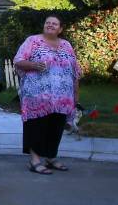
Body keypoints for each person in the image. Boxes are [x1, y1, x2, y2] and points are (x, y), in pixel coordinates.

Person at [14, 15, 81, 174]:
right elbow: (18, 60)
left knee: (55, 127)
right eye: (47, 23)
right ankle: (34, 160)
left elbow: (74, 70)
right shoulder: (33, 41)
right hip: (37, 96)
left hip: (62, 98)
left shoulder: (66, 45)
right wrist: (33, 65)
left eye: (54, 23)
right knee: (36, 126)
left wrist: (75, 93)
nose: (50, 25)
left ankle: (51, 157)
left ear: (60, 29)